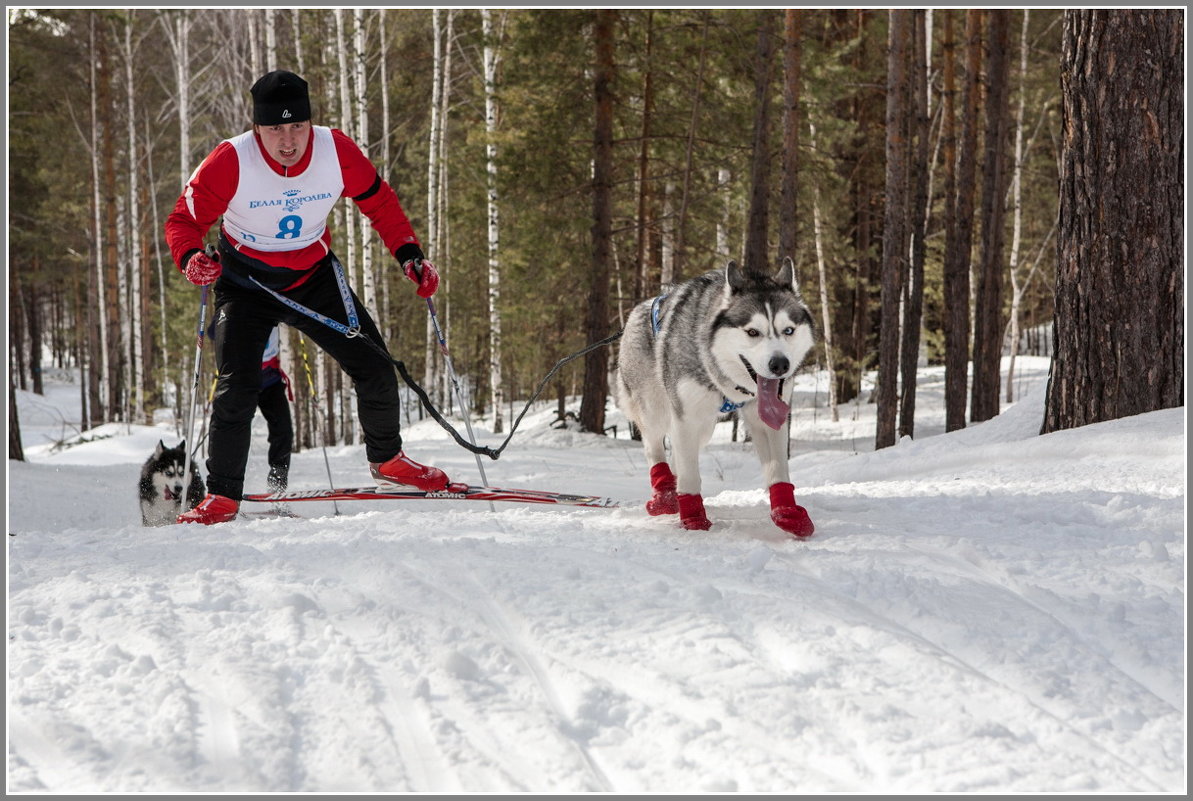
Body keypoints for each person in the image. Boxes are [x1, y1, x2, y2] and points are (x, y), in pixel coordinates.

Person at [167, 69, 449, 525]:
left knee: (375, 366)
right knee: (236, 388)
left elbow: (380, 203)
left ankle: (388, 461)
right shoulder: (230, 159)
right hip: (246, 284)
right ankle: (221, 496)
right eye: (275, 128)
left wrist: (410, 255)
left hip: (313, 278)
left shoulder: (336, 150)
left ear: (309, 122)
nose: (288, 141)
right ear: (256, 126)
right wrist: (191, 258)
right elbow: (183, 220)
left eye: (296, 126)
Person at [258, 325, 292, 494]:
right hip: (241, 378)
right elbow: (214, 331)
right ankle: (226, 491)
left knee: (283, 430)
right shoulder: (237, 302)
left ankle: (277, 487)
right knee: (234, 432)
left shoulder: (274, 302)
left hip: (270, 379)